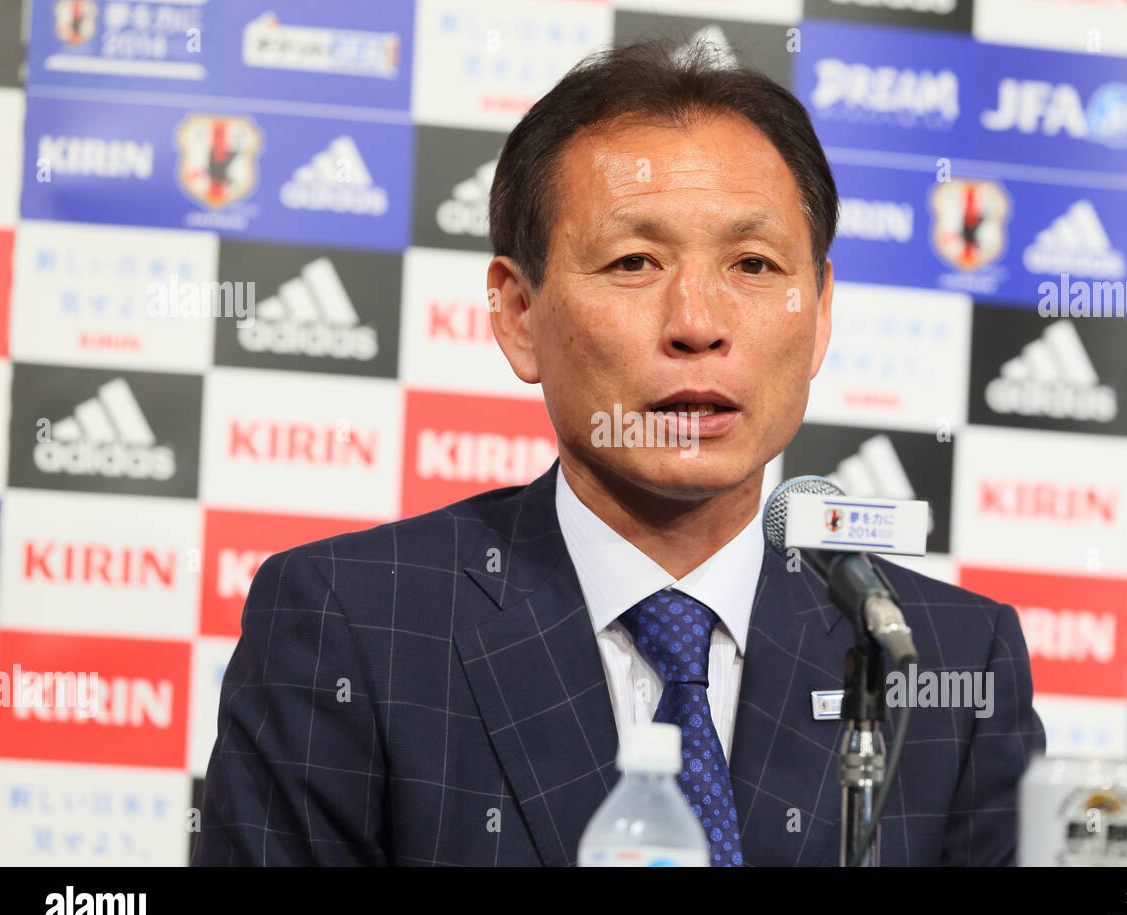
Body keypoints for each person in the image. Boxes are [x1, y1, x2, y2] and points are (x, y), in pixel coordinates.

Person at [193, 39, 1046, 867]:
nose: (698, 324)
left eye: (753, 264)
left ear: (820, 315)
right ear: (519, 314)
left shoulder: (943, 661)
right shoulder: (355, 622)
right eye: (635, 261)